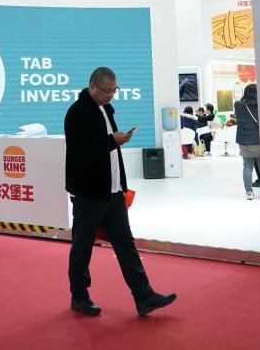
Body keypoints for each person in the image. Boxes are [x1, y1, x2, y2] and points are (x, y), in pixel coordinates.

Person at [64, 67, 176, 317]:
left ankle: (144, 296)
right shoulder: (77, 112)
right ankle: (79, 296)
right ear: (92, 86)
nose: (111, 95)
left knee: (126, 244)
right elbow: (80, 151)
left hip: (112, 191)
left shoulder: (106, 109)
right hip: (89, 193)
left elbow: (108, 148)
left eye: (114, 90)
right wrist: (111, 141)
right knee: (82, 246)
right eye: (107, 91)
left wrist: (121, 177)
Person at [234, 84, 260, 200]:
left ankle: (249, 192)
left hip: (244, 140)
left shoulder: (238, 105)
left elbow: (238, 118)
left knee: (247, 166)